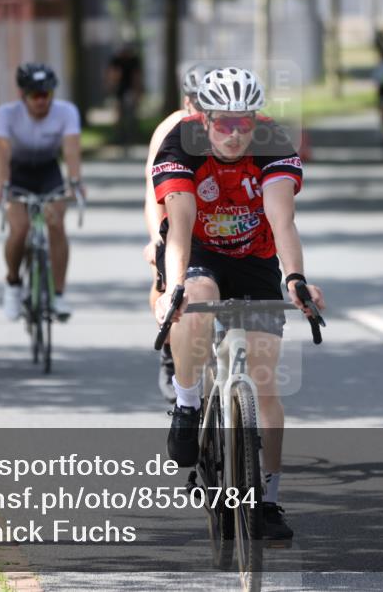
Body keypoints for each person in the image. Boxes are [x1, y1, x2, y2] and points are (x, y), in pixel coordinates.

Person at [151, 67, 326, 541]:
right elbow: (180, 228)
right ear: (204, 119)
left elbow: (282, 219)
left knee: (265, 384)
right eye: (223, 123)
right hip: (201, 251)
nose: (234, 134)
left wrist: (296, 278)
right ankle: (187, 403)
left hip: (255, 255)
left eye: (243, 122)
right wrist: (173, 289)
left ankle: (267, 498)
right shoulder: (180, 144)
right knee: (197, 297)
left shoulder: (272, 142)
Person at [0, 63, 83, 322]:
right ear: (23, 95)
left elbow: (72, 150)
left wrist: (75, 181)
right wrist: (2, 184)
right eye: (35, 96)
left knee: (55, 223)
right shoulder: (5, 115)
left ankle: (58, 293)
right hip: (17, 173)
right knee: (19, 228)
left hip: (47, 171)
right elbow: (2, 153)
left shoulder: (66, 112)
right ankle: (12, 283)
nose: (42, 101)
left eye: (47, 95)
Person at [144, 64, 207, 402]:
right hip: (173, 209)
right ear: (186, 102)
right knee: (164, 274)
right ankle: (170, 351)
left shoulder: (228, 127)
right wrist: (157, 237)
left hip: (216, 219)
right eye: (199, 103)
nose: (206, 110)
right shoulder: (170, 130)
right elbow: (152, 195)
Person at [106, 43, 144, 147]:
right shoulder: (116, 60)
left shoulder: (133, 60)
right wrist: (112, 85)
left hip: (130, 88)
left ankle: (132, 135)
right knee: (118, 112)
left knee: (132, 112)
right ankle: (119, 135)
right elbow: (112, 74)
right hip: (120, 88)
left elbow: (136, 76)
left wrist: (137, 91)